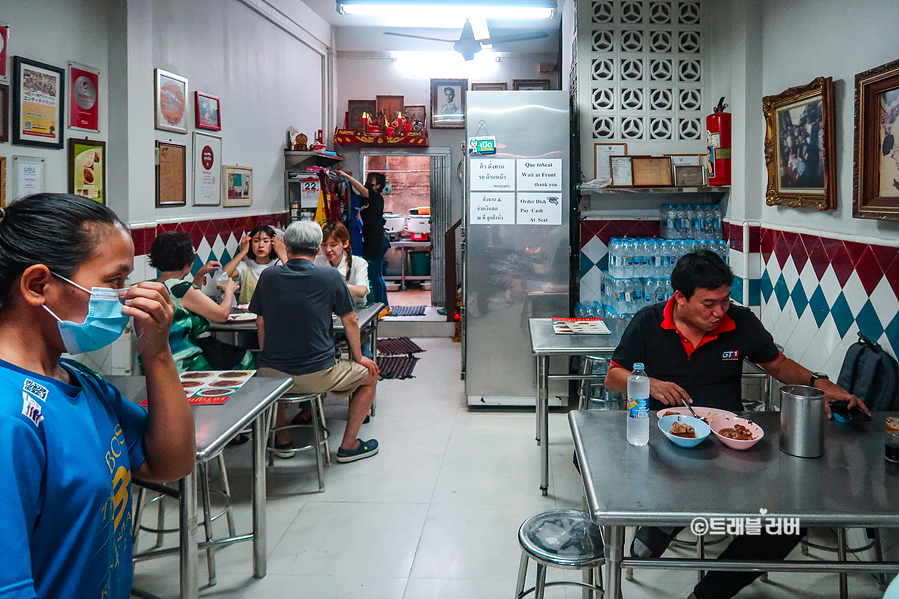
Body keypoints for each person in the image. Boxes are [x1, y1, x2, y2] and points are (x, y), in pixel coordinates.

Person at [605, 249, 868, 599]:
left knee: (786, 524)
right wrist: (649, 383)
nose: (719, 312)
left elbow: (777, 364)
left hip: (727, 444)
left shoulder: (741, 322)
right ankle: (660, 523)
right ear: (679, 298)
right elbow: (613, 376)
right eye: (709, 303)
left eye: (725, 301)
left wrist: (820, 383)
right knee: (672, 493)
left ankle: (709, 591)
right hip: (660, 443)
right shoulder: (648, 322)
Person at [0, 193, 195, 599]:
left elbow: (170, 461)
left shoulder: (77, 380)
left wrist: (157, 353)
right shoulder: (11, 420)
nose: (126, 298)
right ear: (38, 285)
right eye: (114, 282)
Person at [251, 221, 380, 463]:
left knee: (274, 380)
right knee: (370, 375)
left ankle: (283, 439)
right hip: (318, 373)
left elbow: (260, 322)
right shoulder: (330, 276)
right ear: (316, 248)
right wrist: (359, 357)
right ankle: (349, 445)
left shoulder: (268, 276)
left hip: (271, 374)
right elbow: (350, 320)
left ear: (286, 247)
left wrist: (269, 355)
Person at [148, 232, 254, 373]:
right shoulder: (182, 288)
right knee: (244, 358)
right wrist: (229, 291)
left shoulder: (154, 285)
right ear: (188, 261)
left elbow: (187, 300)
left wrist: (200, 274)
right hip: (184, 359)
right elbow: (221, 315)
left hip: (155, 358)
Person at [343, 171, 390, 312]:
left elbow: (363, 190)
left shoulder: (376, 197)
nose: (368, 183)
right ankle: (385, 305)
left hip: (377, 240)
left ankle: (382, 306)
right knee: (376, 274)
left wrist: (348, 177)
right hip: (372, 240)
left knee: (374, 275)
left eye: (372, 181)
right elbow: (358, 193)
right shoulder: (366, 199)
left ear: (378, 186)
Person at [222, 225, 288, 305]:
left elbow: (293, 276)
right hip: (247, 314)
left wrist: (281, 252)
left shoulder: (279, 265)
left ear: (273, 243)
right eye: (256, 241)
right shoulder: (245, 266)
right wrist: (243, 252)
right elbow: (224, 274)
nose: (261, 245)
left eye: (266, 241)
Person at [314, 221, 370, 305]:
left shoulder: (359, 263)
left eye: (333, 245)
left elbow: (361, 291)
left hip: (356, 309)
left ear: (345, 244)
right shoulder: (317, 261)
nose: (328, 250)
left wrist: (331, 287)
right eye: (324, 245)